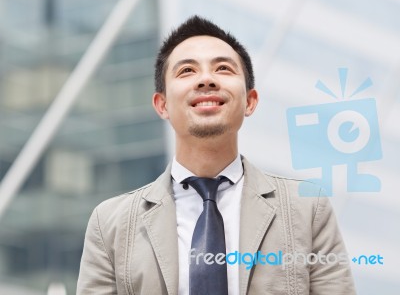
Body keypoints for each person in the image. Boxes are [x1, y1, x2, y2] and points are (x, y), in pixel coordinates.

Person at [77, 16, 356, 295]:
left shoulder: (307, 209)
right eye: (187, 71)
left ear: (250, 101)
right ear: (161, 105)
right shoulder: (110, 223)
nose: (206, 79)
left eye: (223, 68)